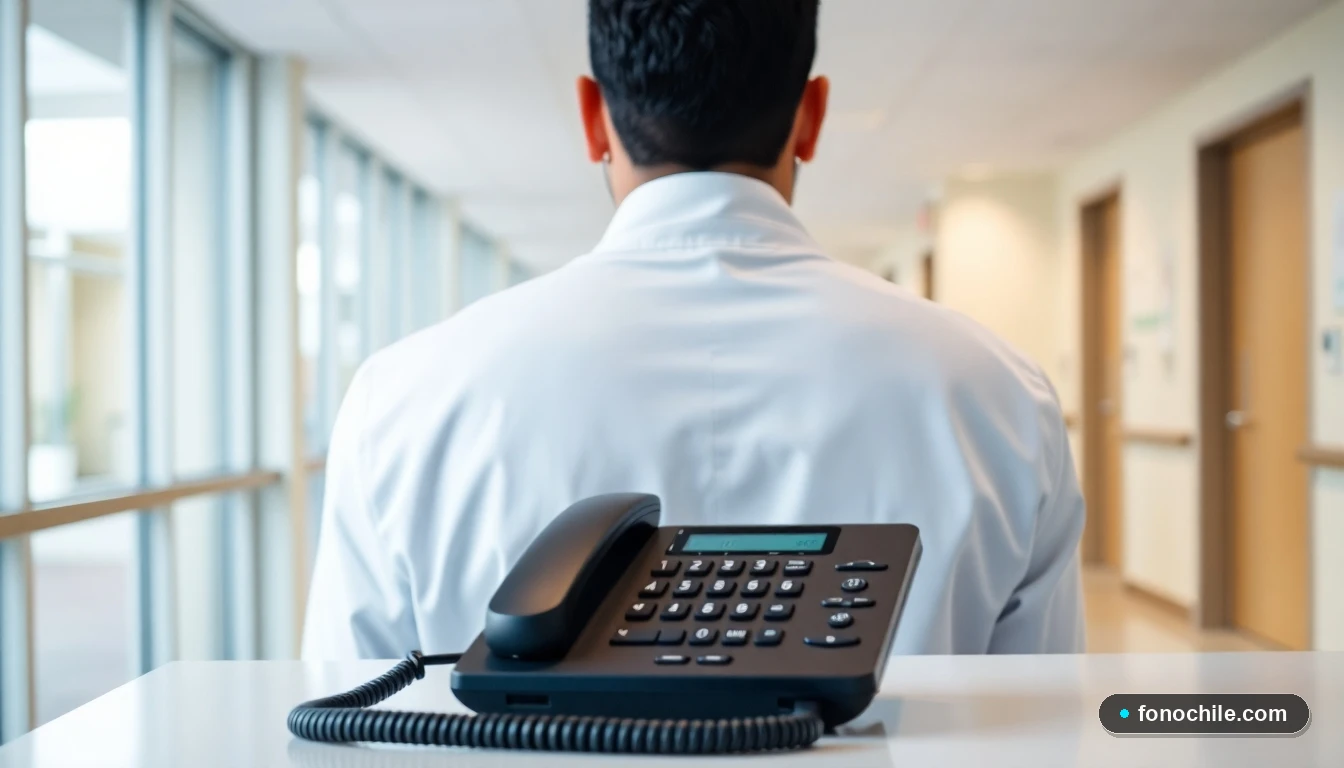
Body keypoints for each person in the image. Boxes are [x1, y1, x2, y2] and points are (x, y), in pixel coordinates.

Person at [302, 0, 1084, 660]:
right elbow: (1043, 724)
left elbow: (334, 724)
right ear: (811, 118)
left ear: (592, 118)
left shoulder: (401, 400)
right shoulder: (1002, 396)